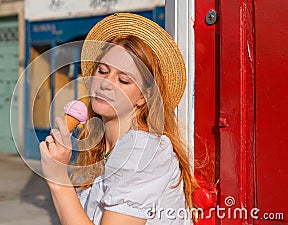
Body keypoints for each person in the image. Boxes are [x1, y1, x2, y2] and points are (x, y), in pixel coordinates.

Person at [39, 13, 198, 225]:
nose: (106, 83)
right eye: (102, 71)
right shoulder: (103, 150)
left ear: (143, 97)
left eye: (123, 80)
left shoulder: (143, 151)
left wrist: (58, 179)